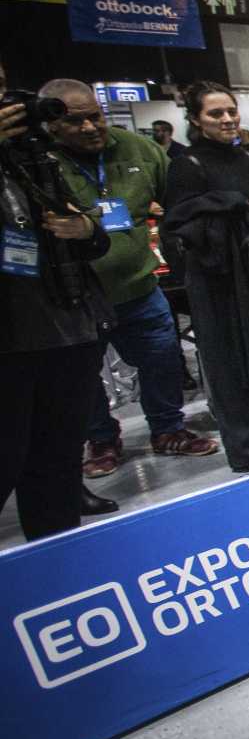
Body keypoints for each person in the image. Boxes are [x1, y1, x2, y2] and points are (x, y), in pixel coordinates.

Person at [41, 79, 220, 477]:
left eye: (95, 116)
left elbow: (179, 202)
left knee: (162, 357)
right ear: (52, 124)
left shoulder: (137, 148)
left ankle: (168, 428)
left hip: (139, 284)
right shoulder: (40, 159)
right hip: (75, 295)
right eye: (76, 121)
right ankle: (101, 439)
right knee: (84, 373)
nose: (90, 128)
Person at [160, 82, 249, 472]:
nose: (227, 119)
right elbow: (184, 227)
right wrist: (242, 210)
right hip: (220, 281)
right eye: (215, 113)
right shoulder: (187, 166)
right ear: (195, 119)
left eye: (231, 111)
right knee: (233, 359)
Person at [2, 65, 118, 535]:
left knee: (54, 462)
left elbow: (88, 231)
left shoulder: (29, 155)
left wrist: (86, 228)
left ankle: (58, 571)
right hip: (8, 338)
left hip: (64, 321)